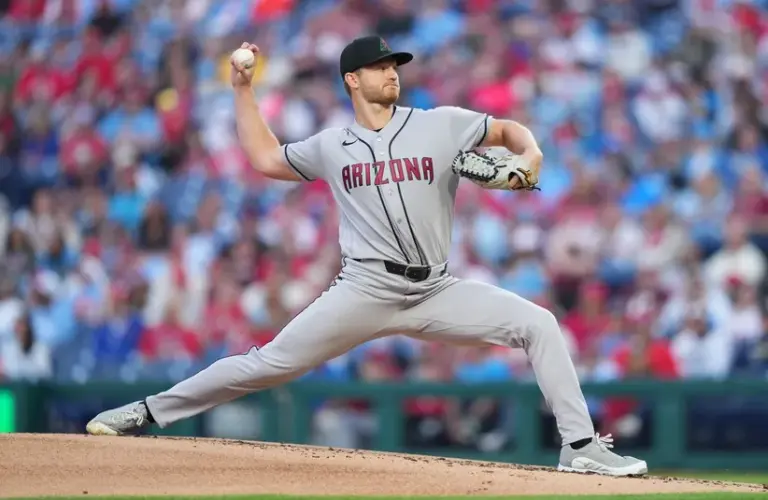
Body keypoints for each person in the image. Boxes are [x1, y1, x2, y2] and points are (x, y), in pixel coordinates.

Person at [86, 36, 647, 477]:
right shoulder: (332, 145)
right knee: (267, 364)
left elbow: (506, 131)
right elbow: (263, 157)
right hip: (364, 288)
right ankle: (149, 410)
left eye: (395, 64)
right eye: (380, 67)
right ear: (352, 79)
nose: (392, 72)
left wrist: (530, 154)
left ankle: (580, 447)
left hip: (436, 289)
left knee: (539, 324)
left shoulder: (440, 123)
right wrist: (242, 89)